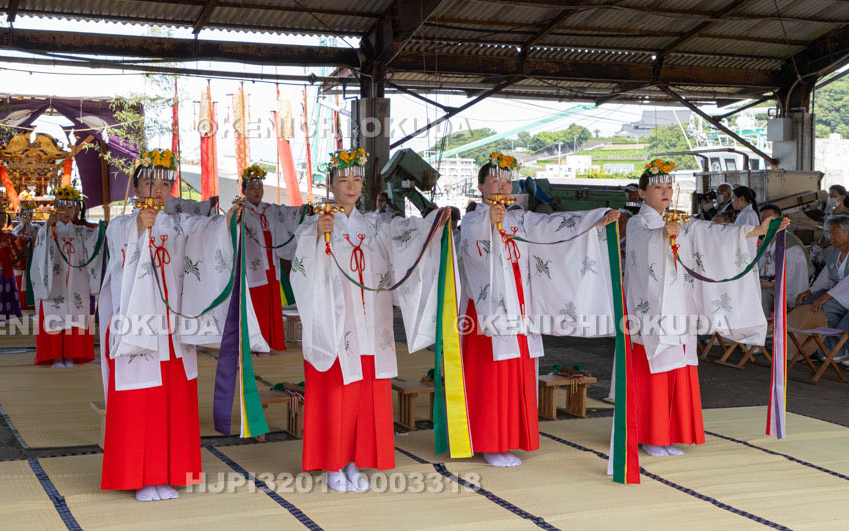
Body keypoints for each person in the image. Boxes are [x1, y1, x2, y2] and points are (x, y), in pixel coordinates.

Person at [96, 149, 260, 502]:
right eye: (148, 182)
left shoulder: (180, 224)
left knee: (173, 403)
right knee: (141, 403)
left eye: (164, 183)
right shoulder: (120, 225)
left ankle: (169, 472)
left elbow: (210, 234)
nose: (156, 189)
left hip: (172, 330)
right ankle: (141, 476)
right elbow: (119, 261)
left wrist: (229, 220)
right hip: (137, 327)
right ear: (137, 186)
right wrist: (142, 229)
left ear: (172, 188)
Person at [289, 148, 448, 492]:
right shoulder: (315, 220)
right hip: (338, 323)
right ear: (330, 184)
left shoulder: (373, 224)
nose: (351, 186)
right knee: (337, 393)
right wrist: (317, 235)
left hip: (370, 321)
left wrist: (432, 225)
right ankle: (333, 464)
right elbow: (302, 265)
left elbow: (403, 240)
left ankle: (353, 461)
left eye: (356, 180)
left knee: (364, 396)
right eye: (343, 180)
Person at [458, 152, 620, 466]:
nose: (503, 187)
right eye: (495, 181)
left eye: (507, 181)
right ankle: (489, 440)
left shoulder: (521, 218)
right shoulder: (473, 219)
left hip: (521, 301)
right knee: (490, 373)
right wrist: (489, 227)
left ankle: (510, 438)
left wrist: (593, 219)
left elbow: (553, 226)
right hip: (486, 306)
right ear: (480, 187)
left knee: (518, 370)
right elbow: (475, 254)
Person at [625, 160, 785, 457]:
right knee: (656, 367)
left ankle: (669, 434)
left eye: (668, 187)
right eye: (658, 187)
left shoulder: (677, 219)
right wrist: (661, 234)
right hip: (652, 311)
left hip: (679, 305)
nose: (665, 192)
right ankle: (651, 435)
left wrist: (755, 231)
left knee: (679, 364)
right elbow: (642, 244)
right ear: (643, 193)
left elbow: (711, 235)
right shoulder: (639, 223)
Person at [30, 186, 102, 368]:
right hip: (55, 280)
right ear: (55, 207)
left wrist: (103, 230)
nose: (67, 211)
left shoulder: (81, 231)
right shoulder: (46, 231)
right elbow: (39, 253)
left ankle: (71, 355)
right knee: (55, 310)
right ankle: (55, 356)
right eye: (62, 207)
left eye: (71, 207)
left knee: (75, 312)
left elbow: (96, 243)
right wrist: (48, 228)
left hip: (78, 280)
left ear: (77, 209)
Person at [238, 164, 306, 352]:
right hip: (251, 266)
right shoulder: (239, 211)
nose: (256, 191)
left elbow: (289, 212)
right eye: (251, 188)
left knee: (271, 300)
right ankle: (255, 342)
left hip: (271, 262)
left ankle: (272, 340)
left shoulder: (270, 209)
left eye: (259, 188)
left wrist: (303, 211)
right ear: (244, 190)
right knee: (255, 302)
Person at [796, 214, 849, 356]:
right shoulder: (833, 251)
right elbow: (825, 276)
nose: (831, 237)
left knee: (825, 308)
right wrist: (810, 291)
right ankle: (804, 345)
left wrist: (825, 296)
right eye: (830, 232)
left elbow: (847, 283)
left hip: (844, 294)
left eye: (835, 233)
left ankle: (831, 350)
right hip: (835, 292)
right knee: (806, 302)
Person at [758, 204, 811, 317]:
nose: (766, 222)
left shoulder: (791, 245)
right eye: (763, 219)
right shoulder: (765, 242)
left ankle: (766, 330)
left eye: (770, 219)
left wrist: (770, 284)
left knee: (761, 295)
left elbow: (793, 277)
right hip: (767, 283)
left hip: (785, 290)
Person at [12, 198, 40, 311]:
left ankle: (33, 302)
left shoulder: (37, 228)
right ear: (21, 215)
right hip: (23, 262)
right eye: (26, 214)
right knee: (21, 280)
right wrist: (23, 240)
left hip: (34, 259)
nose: (28, 217)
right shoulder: (17, 230)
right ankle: (22, 303)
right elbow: (14, 244)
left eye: (30, 214)